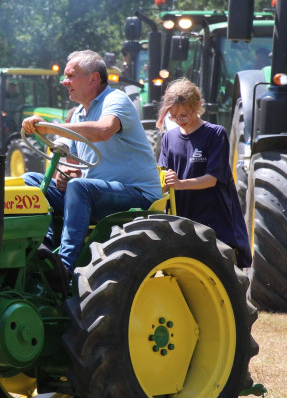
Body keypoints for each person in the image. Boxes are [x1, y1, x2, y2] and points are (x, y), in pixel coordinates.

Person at [21, 50, 161, 273]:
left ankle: (65, 268)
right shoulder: (78, 114)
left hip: (137, 194)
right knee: (31, 181)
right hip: (96, 194)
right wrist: (65, 171)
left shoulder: (116, 99)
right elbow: (72, 161)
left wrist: (49, 127)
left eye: (71, 76)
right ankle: (44, 248)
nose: (64, 82)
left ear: (93, 78)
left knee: (80, 187)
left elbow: (103, 131)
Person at [157, 79, 251, 267]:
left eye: (183, 115)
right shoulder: (169, 138)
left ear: (198, 106)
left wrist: (179, 184)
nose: (178, 121)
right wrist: (164, 182)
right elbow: (163, 174)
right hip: (182, 216)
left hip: (212, 218)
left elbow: (211, 179)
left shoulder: (215, 134)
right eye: (173, 117)